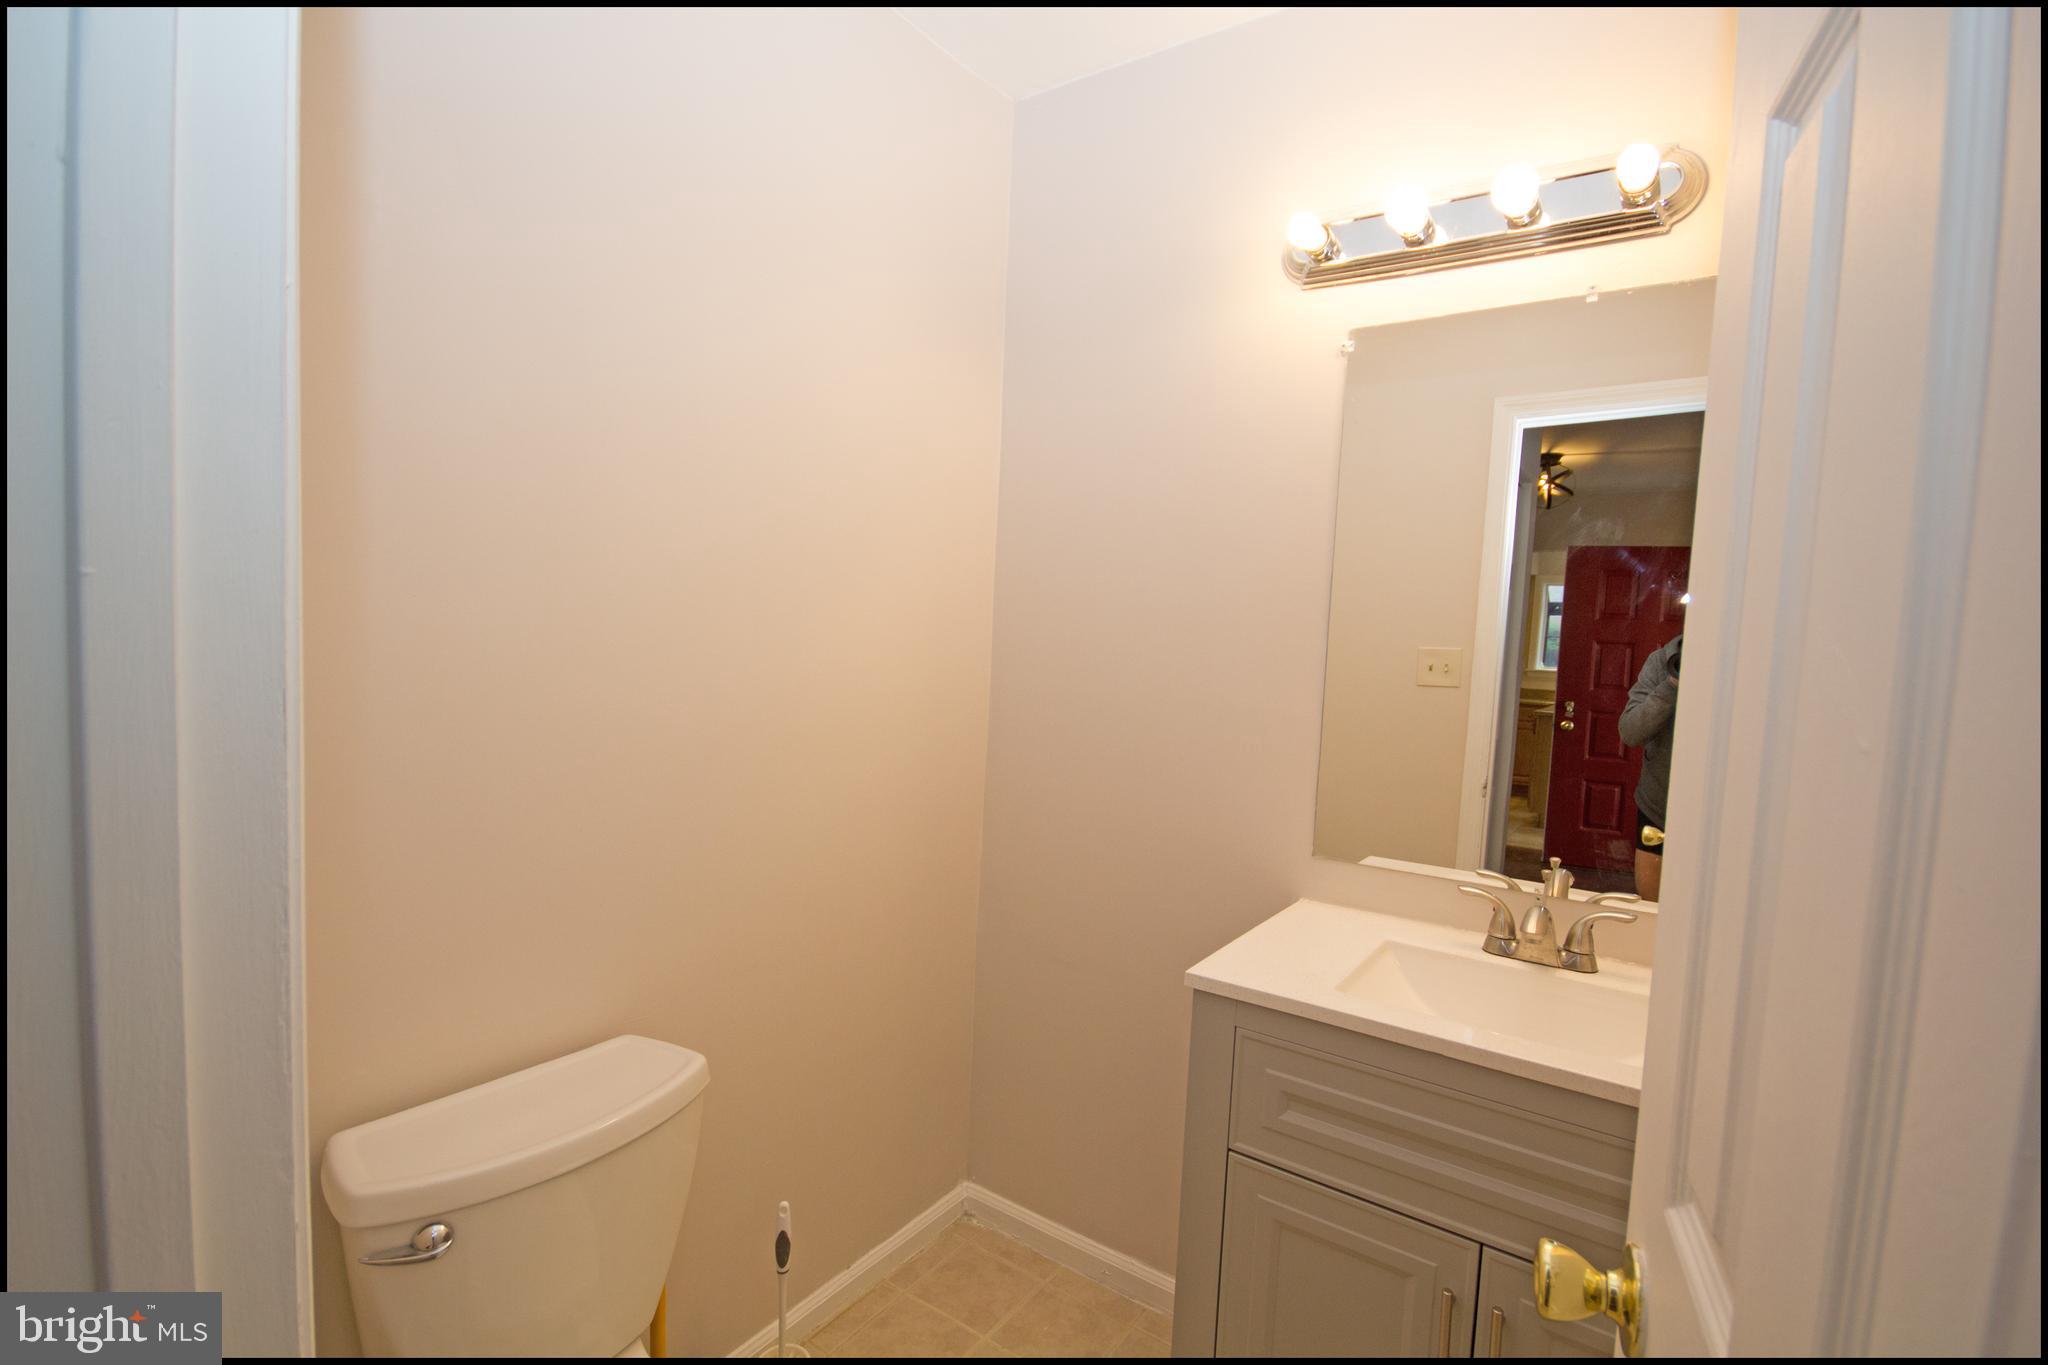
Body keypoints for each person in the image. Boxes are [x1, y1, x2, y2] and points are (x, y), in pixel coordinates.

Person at [1618, 633, 1681, 900]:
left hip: (1722, 814)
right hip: (1657, 809)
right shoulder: (1662, 662)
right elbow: (1631, 732)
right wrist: (1672, 684)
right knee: (1651, 907)